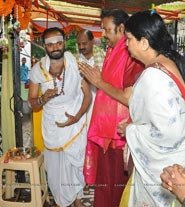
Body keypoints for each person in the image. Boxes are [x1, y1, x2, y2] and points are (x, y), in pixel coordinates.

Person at [80, 10, 185, 207]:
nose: (126, 45)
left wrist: (131, 130)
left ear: (144, 42)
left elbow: (167, 131)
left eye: (129, 39)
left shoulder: (153, 77)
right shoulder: (166, 64)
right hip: (177, 156)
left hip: (165, 166)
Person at [79, 9, 144, 207]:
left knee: (116, 190)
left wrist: (99, 82)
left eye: (107, 30)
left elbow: (128, 98)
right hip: (107, 134)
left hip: (120, 137)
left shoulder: (132, 56)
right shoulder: (112, 51)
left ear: (121, 28)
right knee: (105, 188)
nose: (103, 35)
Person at [28, 27, 91, 207]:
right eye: (50, 44)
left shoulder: (77, 65)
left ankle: (77, 200)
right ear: (44, 46)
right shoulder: (37, 70)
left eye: (58, 42)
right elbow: (32, 102)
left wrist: (77, 117)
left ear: (64, 43)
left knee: (75, 166)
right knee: (55, 169)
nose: (55, 47)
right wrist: (43, 98)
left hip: (75, 125)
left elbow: (88, 96)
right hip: (52, 127)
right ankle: (59, 202)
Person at [75, 29, 105, 126]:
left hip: (100, 105)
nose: (81, 47)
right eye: (79, 44)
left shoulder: (104, 58)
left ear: (92, 41)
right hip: (80, 106)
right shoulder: (74, 61)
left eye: (84, 43)